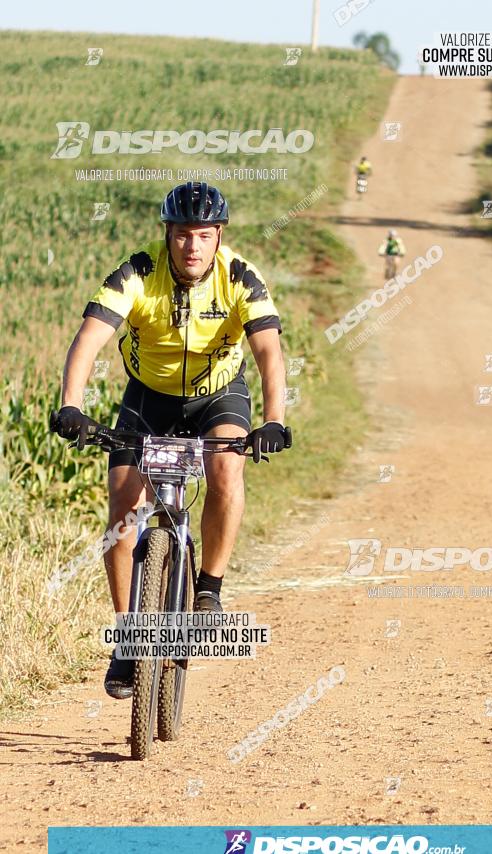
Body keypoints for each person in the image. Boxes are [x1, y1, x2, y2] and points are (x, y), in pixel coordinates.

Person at [51, 182, 291, 699]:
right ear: (168, 234)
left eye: (203, 236)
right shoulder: (137, 272)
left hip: (217, 395)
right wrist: (71, 405)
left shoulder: (240, 277)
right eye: (183, 235)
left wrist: (273, 419)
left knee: (226, 467)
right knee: (123, 506)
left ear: (218, 236)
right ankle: (127, 642)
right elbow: (90, 337)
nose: (192, 247)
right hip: (148, 398)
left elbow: (269, 352)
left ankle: (209, 588)